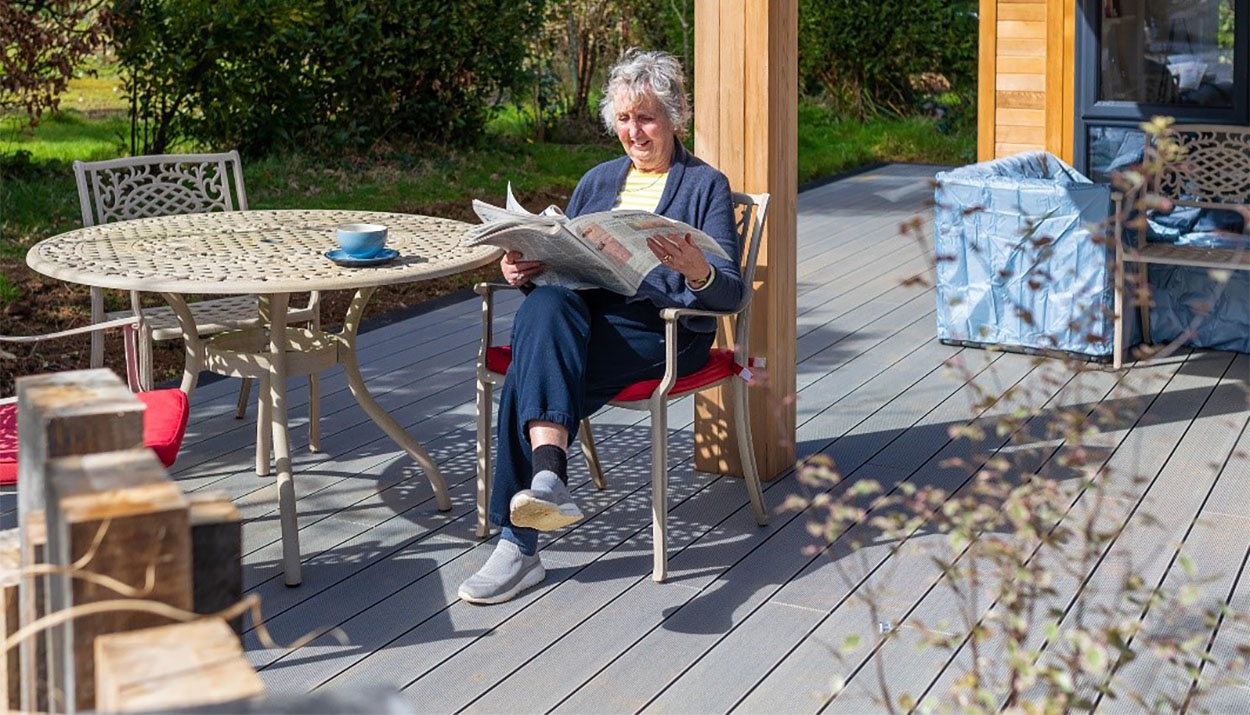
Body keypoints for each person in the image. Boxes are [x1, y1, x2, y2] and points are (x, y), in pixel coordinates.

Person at [458, 49, 744, 604]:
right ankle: (545, 484)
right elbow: (567, 256)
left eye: (647, 118)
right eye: (624, 118)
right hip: (587, 316)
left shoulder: (705, 185)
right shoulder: (598, 179)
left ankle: (519, 544)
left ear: (674, 118)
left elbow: (729, 294)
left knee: (528, 373)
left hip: (665, 328)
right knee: (542, 308)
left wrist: (697, 269)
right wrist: (523, 267)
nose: (633, 131)